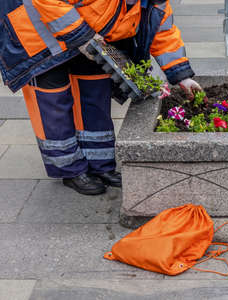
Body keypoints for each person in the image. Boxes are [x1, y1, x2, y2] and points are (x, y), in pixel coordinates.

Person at [0, 0, 203, 195]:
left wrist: (182, 75)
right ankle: (70, 170)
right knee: (53, 103)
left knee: (95, 91)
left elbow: (162, 30)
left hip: (87, 31)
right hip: (36, 35)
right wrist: (82, 37)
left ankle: (100, 165)